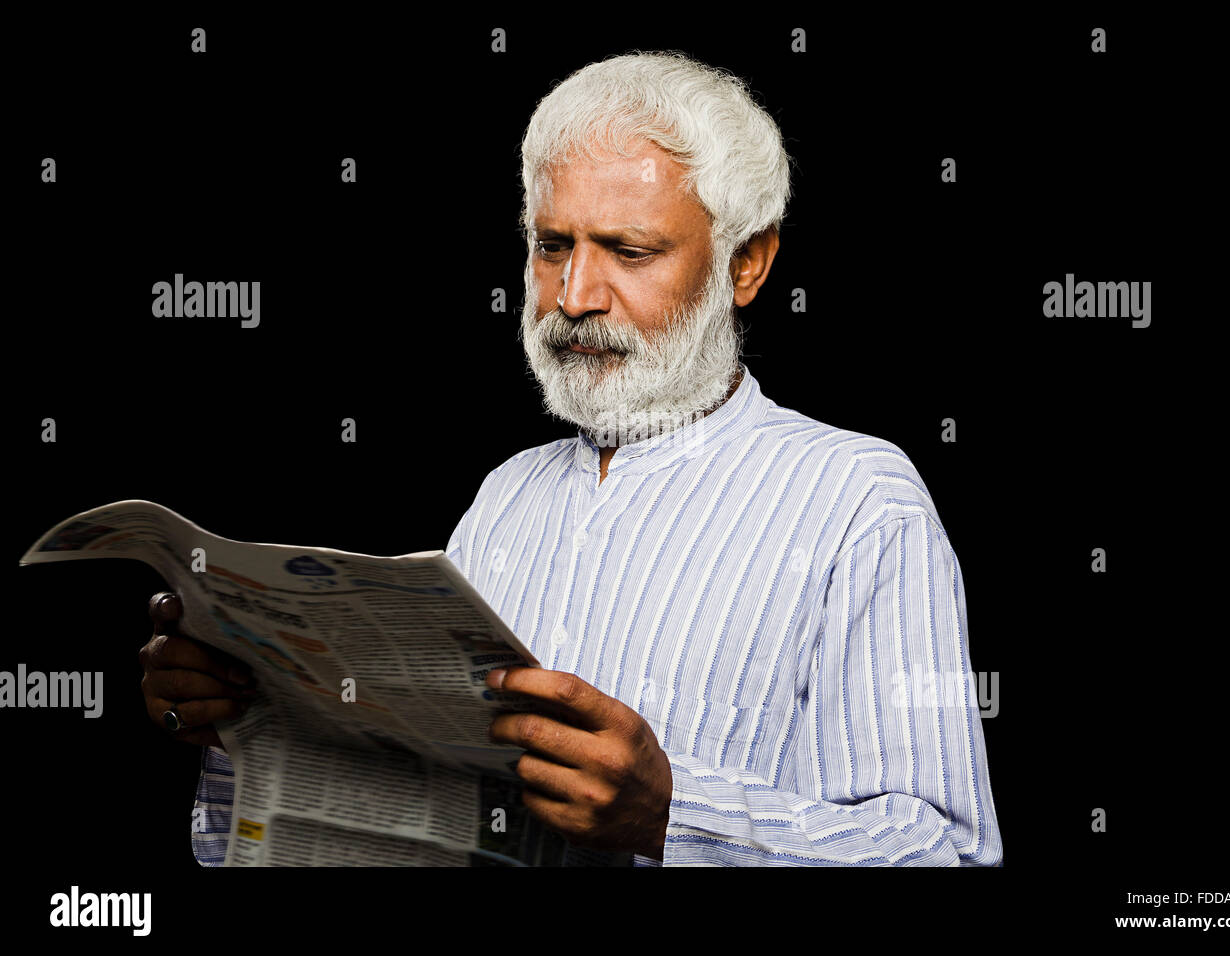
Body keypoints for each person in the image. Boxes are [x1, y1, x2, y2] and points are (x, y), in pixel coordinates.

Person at [140, 51, 1002, 866]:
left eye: (629, 251)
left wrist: (671, 816)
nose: (573, 298)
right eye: (552, 245)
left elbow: (949, 850)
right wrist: (249, 729)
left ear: (748, 263)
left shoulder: (858, 499)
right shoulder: (507, 496)